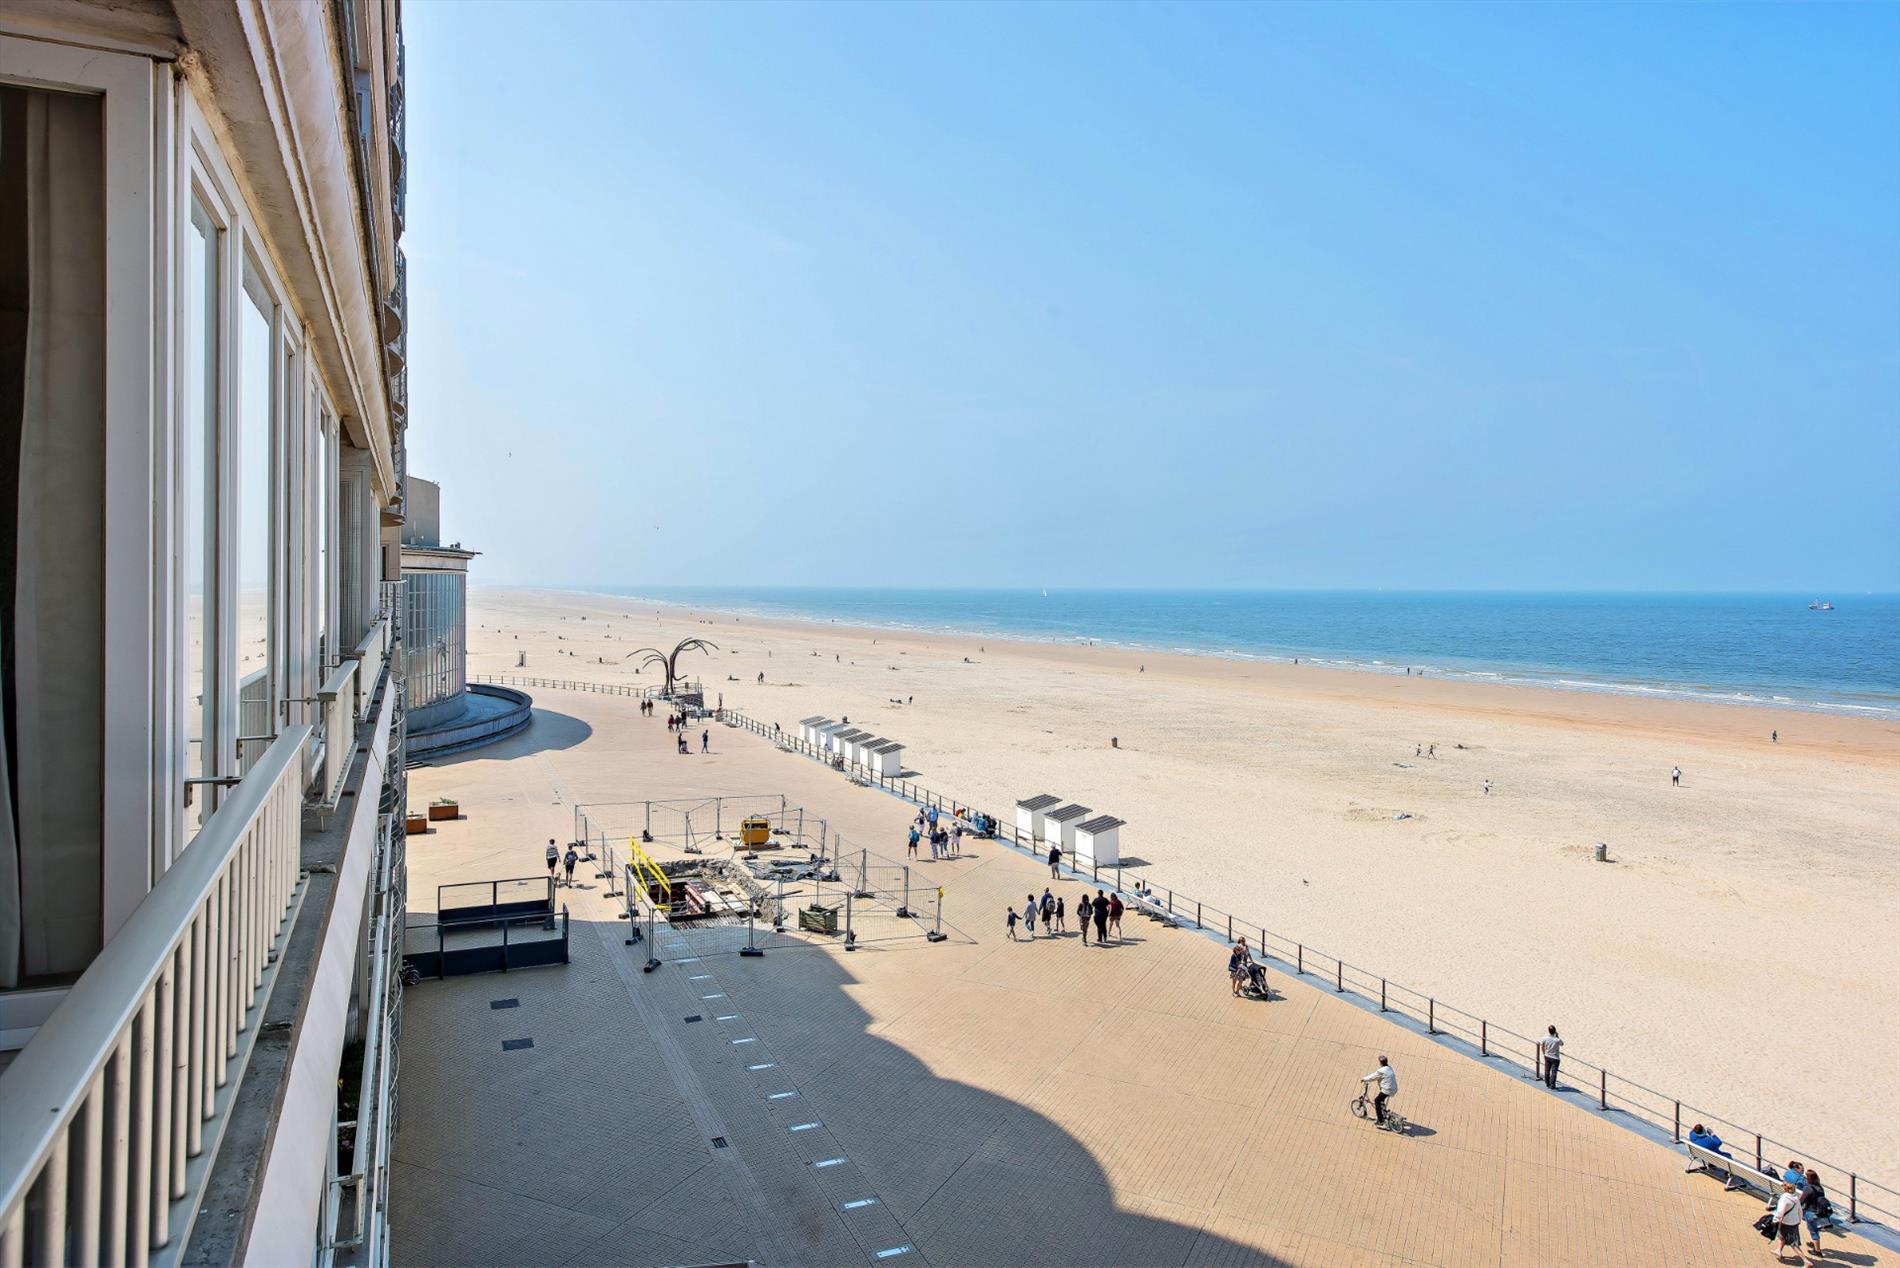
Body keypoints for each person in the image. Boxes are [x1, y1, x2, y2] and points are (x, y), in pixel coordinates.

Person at [1800, 1169, 1831, 1253]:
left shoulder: (1808, 1188)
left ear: (1808, 1179)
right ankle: (1815, 1243)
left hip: (1810, 1212)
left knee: (1813, 1231)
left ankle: (1817, 1250)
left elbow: (1801, 1201)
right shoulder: (1820, 1188)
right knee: (1813, 1229)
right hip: (1818, 1212)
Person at [1362, 1057, 1398, 1128]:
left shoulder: (1381, 1071)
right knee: (1381, 1098)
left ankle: (1381, 1120)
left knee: (1376, 1100)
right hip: (1393, 1088)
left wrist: (1364, 1079)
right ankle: (1383, 1109)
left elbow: (1373, 1077)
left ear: (1381, 1063)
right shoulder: (1389, 1068)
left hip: (1387, 1089)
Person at [1770, 1183, 1803, 1260]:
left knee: (1792, 1243)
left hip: (1786, 1222)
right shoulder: (1796, 1198)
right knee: (1782, 1236)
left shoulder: (1784, 1198)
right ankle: (1778, 1250)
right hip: (1794, 1222)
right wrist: (1799, 1220)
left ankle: (1806, 1261)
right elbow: (1800, 1211)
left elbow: (1780, 1212)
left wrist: (1775, 1220)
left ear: (1785, 1189)